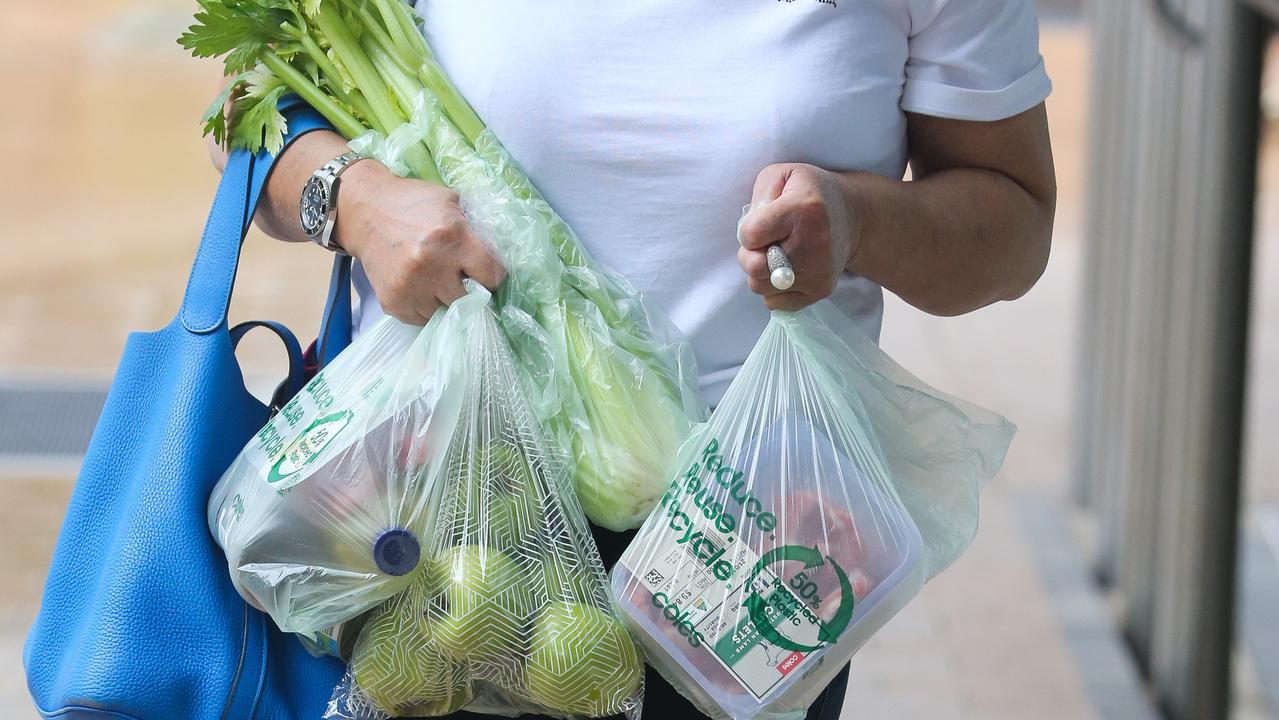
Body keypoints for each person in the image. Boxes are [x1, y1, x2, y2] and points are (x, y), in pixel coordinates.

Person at [211, 1, 1055, 717]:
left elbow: (1012, 225)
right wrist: (356, 201)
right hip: (441, 515)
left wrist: (861, 223)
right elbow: (242, 106)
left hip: (742, 552)